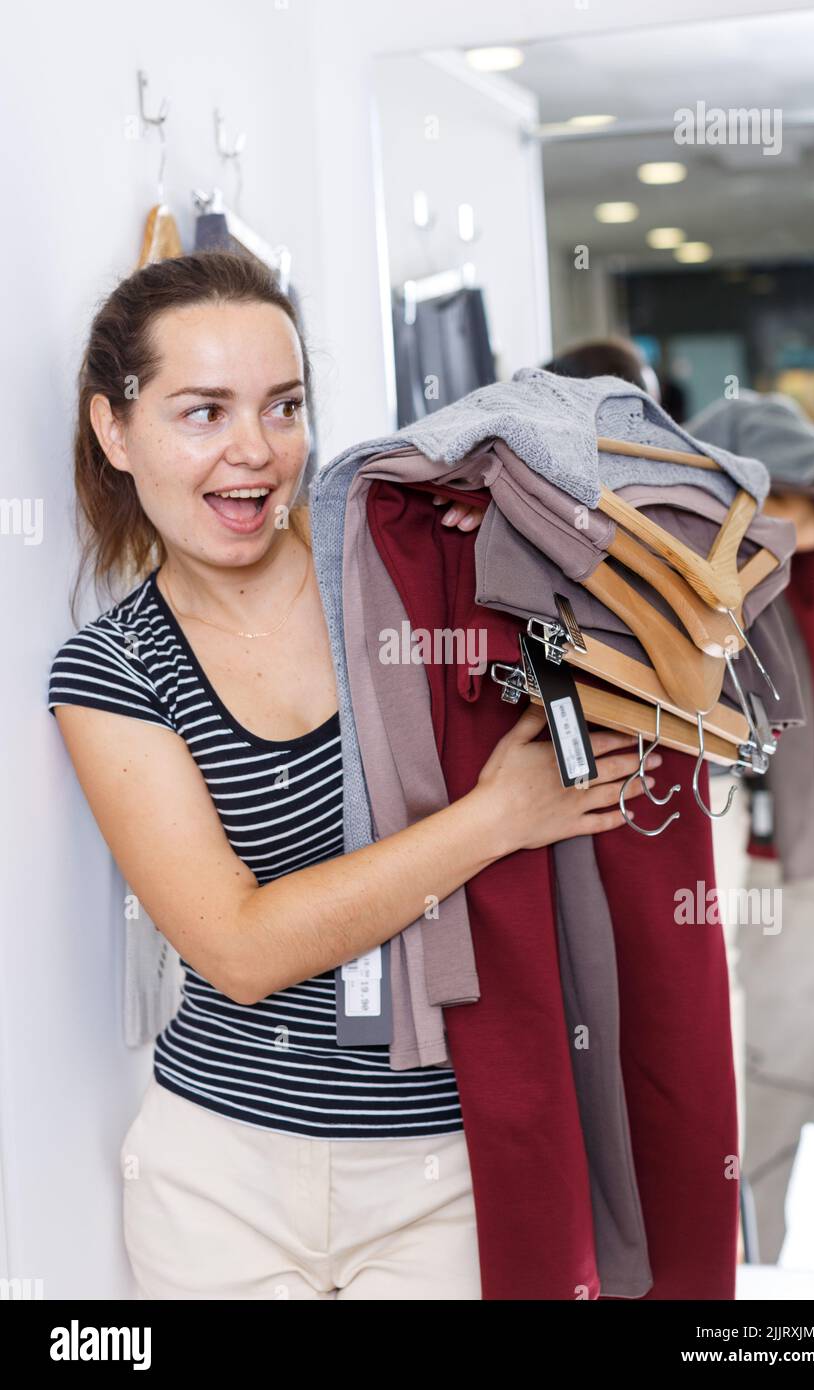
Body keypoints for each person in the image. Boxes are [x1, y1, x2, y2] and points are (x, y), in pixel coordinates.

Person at [47, 250, 659, 1301]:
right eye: (203, 412)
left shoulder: (405, 574)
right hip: (217, 1179)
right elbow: (237, 949)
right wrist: (494, 818)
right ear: (115, 428)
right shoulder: (112, 669)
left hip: (444, 1164)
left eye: (283, 407)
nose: (255, 452)